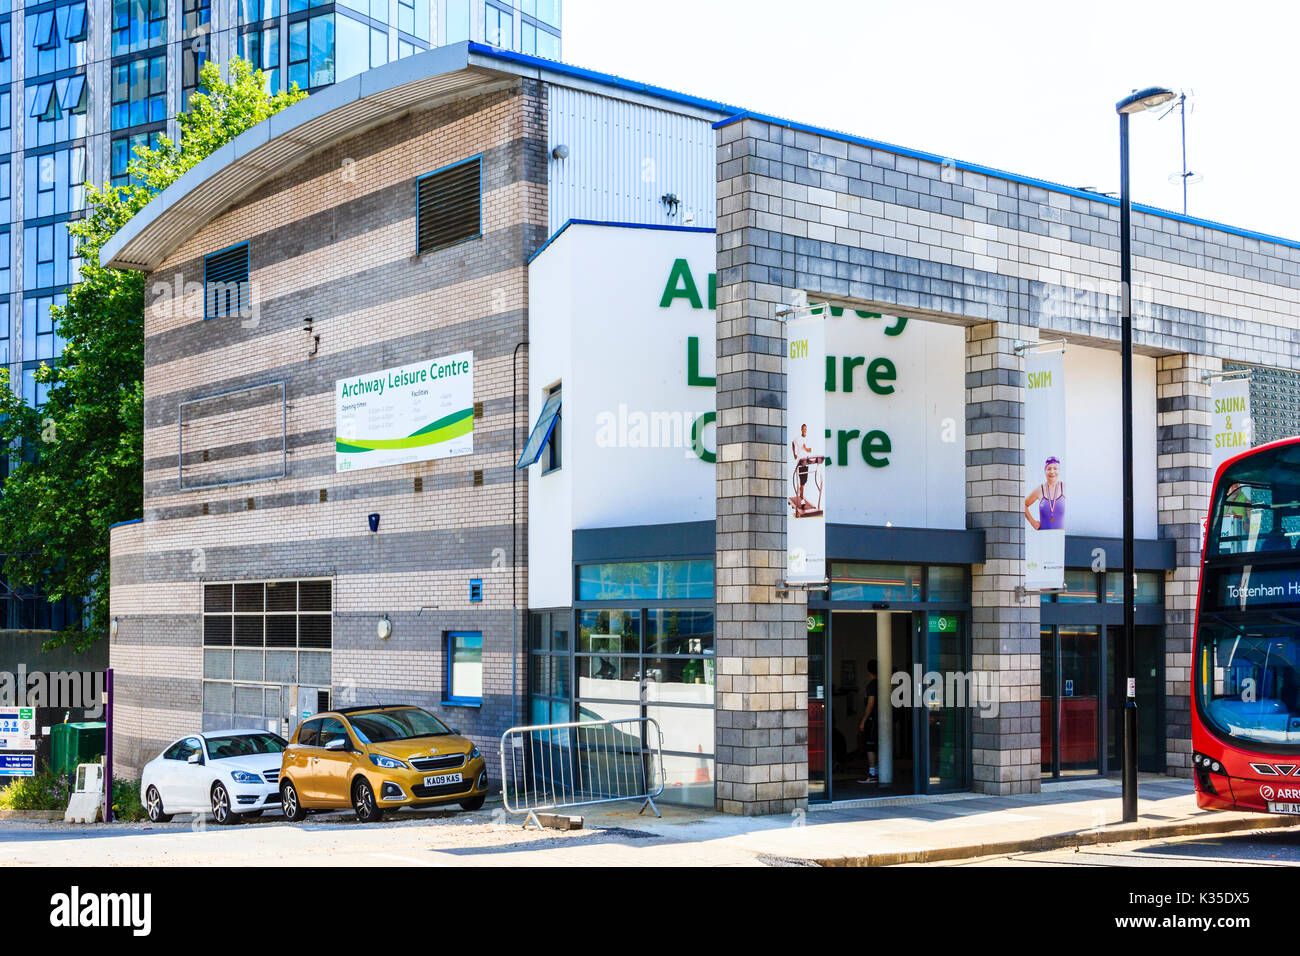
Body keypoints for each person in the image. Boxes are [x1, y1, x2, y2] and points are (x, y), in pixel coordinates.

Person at [1024, 456, 1065, 531]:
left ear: (1059, 470)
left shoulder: (1065, 488)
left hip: (1061, 538)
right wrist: (1032, 522)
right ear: (1045, 471)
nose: (1052, 472)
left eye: (1055, 468)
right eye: (1049, 469)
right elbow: (1023, 505)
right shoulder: (1039, 489)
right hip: (1044, 537)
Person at [857, 659, 879, 785]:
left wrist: (863, 720)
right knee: (878, 745)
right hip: (880, 719)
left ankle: (872, 774)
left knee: (870, 746)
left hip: (872, 719)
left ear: (868, 671)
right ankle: (878, 771)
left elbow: (870, 704)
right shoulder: (882, 684)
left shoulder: (872, 685)